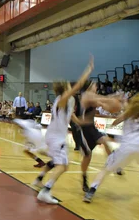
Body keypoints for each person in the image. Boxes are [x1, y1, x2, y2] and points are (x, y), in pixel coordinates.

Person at [33, 56, 94, 204]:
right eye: (68, 85)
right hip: (56, 138)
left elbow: (71, 116)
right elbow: (79, 85)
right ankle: (46, 190)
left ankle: (41, 181)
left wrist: (81, 122)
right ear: (65, 88)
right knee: (62, 166)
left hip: (54, 137)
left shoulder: (63, 102)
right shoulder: (63, 99)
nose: (70, 86)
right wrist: (89, 70)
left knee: (61, 165)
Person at [84, 94, 139, 203]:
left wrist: (114, 113)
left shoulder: (128, 114)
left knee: (106, 169)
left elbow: (115, 122)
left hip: (128, 147)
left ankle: (91, 192)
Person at [78, 81, 124, 191]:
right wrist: (114, 98)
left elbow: (103, 102)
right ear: (89, 87)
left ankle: (113, 162)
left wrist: (114, 107)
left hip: (92, 127)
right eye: (94, 85)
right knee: (87, 156)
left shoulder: (94, 97)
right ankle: (84, 178)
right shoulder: (86, 96)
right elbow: (103, 99)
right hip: (83, 129)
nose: (96, 87)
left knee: (104, 140)